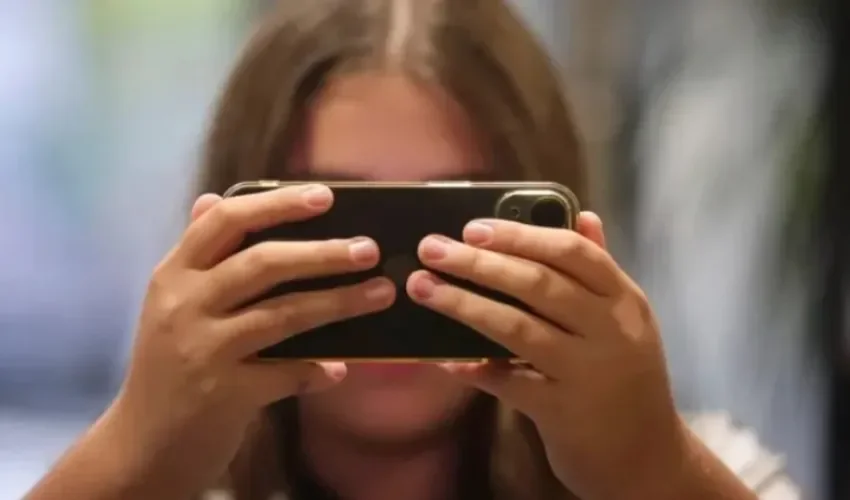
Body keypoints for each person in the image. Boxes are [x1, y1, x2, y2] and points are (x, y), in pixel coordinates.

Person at [26, 1, 760, 499]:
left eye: (451, 223)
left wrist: (650, 469)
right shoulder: (159, 478)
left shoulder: (684, 468)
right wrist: (132, 459)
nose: (399, 283)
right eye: (340, 224)